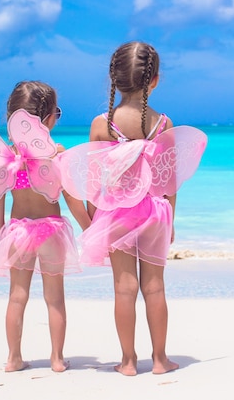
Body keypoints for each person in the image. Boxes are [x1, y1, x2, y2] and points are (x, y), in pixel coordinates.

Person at [58, 41, 206, 376]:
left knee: (124, 288)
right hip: (155, 212)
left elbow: (94, 181)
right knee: (154, 286)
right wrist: (172, 220)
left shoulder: (103, 124)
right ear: (154, 80)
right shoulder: (163, 125)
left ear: (114, 79)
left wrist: (95, 220)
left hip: (116, 215)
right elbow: (170, 180)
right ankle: (159, 359)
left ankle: (127, 361)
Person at [0, 81, 91, 373]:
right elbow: (71, 198)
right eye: (57, 112)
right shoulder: (55, 153)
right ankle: (57, 359)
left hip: (18, 231)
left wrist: (0, 233)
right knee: (55, 297)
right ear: (45, 119)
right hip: (52, 231)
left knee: (17, 296)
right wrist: (89, 228)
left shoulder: (4, 158)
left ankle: (14, 358)